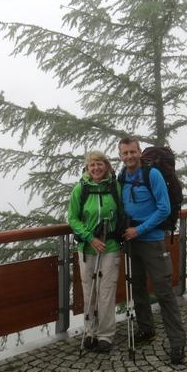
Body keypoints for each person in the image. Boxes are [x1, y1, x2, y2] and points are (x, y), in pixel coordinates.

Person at [118, 137, 186, 365]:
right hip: (131, 241)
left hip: (152, 240)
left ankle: (177, 343)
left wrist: (140, 229)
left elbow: (164, 208)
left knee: (164, 291)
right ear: (120, 156)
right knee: (137, 287)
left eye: (132, 152)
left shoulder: (152, 174)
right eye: (125, 153)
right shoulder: (122, 177)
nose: (129, 157)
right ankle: (147, 330)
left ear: (139, 152)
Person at [68, 151, 122, 354]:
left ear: (106, 166)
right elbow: (72, 218)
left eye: (99, 164)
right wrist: (90, 237)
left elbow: (122, 213)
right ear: (87, 168)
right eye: (92, 165)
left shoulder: (114, 187)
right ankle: (90, 332)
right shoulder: (79, 189)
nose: (96, 168)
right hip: (87, 249)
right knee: (89, 291)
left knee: (106, 291)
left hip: (111, 247)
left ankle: (105, 336)